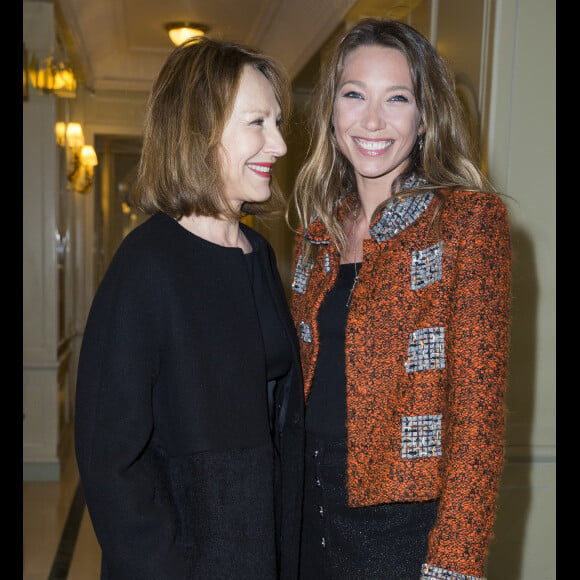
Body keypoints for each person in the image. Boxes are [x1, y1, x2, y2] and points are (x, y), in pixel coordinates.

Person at [287, 18, 511, 580]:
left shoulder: (467, 224)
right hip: (300, 510)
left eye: (398, 98)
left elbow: (478, 422)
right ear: (332, 112)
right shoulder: (317, 234)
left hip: (403, 529)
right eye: (354, 94)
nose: (372, 120)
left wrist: (453, 562)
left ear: (424, 115)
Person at [74, 36, 305, 580]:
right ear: (200, 131)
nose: (279, 145)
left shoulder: (259, 254)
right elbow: (109, 458)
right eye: (257, 123)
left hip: (260, 549)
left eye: (277, 123)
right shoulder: (147, 263)